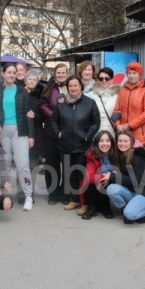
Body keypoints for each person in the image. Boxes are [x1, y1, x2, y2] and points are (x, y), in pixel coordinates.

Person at [51, 76, 100, 212]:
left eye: (75, 86)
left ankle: (85, 201)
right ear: (67, 87)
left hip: (82, 146)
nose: (73, 88)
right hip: (65, 145)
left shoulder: (90, 103)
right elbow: (53, 121)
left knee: (82, 173)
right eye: (70, 86)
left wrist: (88, 136)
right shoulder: (61, 103)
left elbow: (96, 122)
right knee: (69, 173)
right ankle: (74, 199)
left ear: (81, 87)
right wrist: (58, 133)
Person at [0, 63, 35, 210]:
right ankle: (5, 194)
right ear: (3, 74)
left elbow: (29, 114)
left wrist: (31, 135)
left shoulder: (22, 91)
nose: (12, 75)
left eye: (14, 73)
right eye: (9, 72)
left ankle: (28, 196)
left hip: (20, 130)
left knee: (23, 165)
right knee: (4, 165)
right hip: (2, 131)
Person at [100, 131, 145, 224]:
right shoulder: (120, 156)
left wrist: (113, 176)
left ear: (131, 143)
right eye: (120, 141)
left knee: (130, 215)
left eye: (125, 141)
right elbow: (123, 176)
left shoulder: (137, 157)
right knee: (111, 188)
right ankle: (125, 208)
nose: (122, 143)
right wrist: (109, 179)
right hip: (132, 190)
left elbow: (137, 181)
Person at [40, 63, 69, 205]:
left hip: (68, 132)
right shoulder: (48, 87)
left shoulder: (72, 86)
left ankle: (64, 193)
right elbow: (43, 105)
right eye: (58, 73)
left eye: (63, 73)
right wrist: (55, 116)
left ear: (67, 73)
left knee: (67, 164)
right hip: (51, 131)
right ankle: (52, 193)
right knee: (52, 164)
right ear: (54, 73)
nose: (61, 75)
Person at [113, 62, 145, 146]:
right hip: (123, 133)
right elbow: (116, 111)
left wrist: (130, 125)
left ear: (140, 75)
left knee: (138, 157)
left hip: (141, 134)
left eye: (134, 73)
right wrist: (117, 125)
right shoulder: (122, 90)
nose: (131, 76)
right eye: (129, 73)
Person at [81, 130, 116, 220]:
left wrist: (111, 178)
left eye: (107, 141)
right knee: (91, 182)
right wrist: (106, 177)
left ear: (112, 142)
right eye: (101, 141)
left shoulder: (117, 155)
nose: (105, 144)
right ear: (96, 143)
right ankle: (91, 207)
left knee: (105, 183)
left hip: (112, 183)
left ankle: (106, 207)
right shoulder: (92, 155)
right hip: (98, 184)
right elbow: (89, 176)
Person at [25, 70, 45, 200]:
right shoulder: (19, 94)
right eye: (30, 79)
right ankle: (24, 190)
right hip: (23, 131)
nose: (32, 81)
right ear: (25, 80)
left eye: (34, 80)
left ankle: (30, 192)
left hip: (37, 133)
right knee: (23, 164)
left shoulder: (40, 96)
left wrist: (35, 116)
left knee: (33, 164)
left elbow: (43, 116)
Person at [86, 67, 119, 136]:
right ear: (98, 80)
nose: (104, 81)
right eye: (101, 79)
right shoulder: (90, 95)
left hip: (112, 133)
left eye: (107, 78)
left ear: (112, 79)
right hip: (95, 134)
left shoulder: (119, 95)